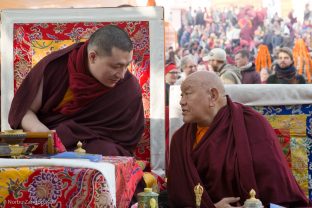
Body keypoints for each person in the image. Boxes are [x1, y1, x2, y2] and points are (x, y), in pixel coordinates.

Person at [167, 71, 309, 207]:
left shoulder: (252, 124)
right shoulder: (180, 140)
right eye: (181, 95)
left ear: (213, 95)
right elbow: (178, 199)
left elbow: (277, 190)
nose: (181, 102)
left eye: (187, 94)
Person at [9, 25, 145, 156]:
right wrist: (46, 135)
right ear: (93, 57)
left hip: (97, 151)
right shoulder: (57, 67)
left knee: (106, 152)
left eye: (126, 66)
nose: (121, 75)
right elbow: (24, 111)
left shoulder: (128, 87)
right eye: (116, 66)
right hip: (51, 145)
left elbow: (126, 143)